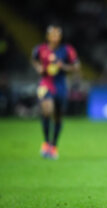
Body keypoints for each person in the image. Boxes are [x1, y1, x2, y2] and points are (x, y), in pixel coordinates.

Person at [31, 25, 80, 159]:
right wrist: (39, 67)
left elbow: (76, 66)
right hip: (45, 83)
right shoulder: (40, 49)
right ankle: (46, 142)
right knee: (47, 110)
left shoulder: (67, 50)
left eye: (57, 34)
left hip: (61, 86)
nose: (55, 37)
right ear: (48, 36)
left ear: (60, 36)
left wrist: (63, 66)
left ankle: (53, 145)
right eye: (52, 34)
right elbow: (34, 60)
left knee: (58, 116)